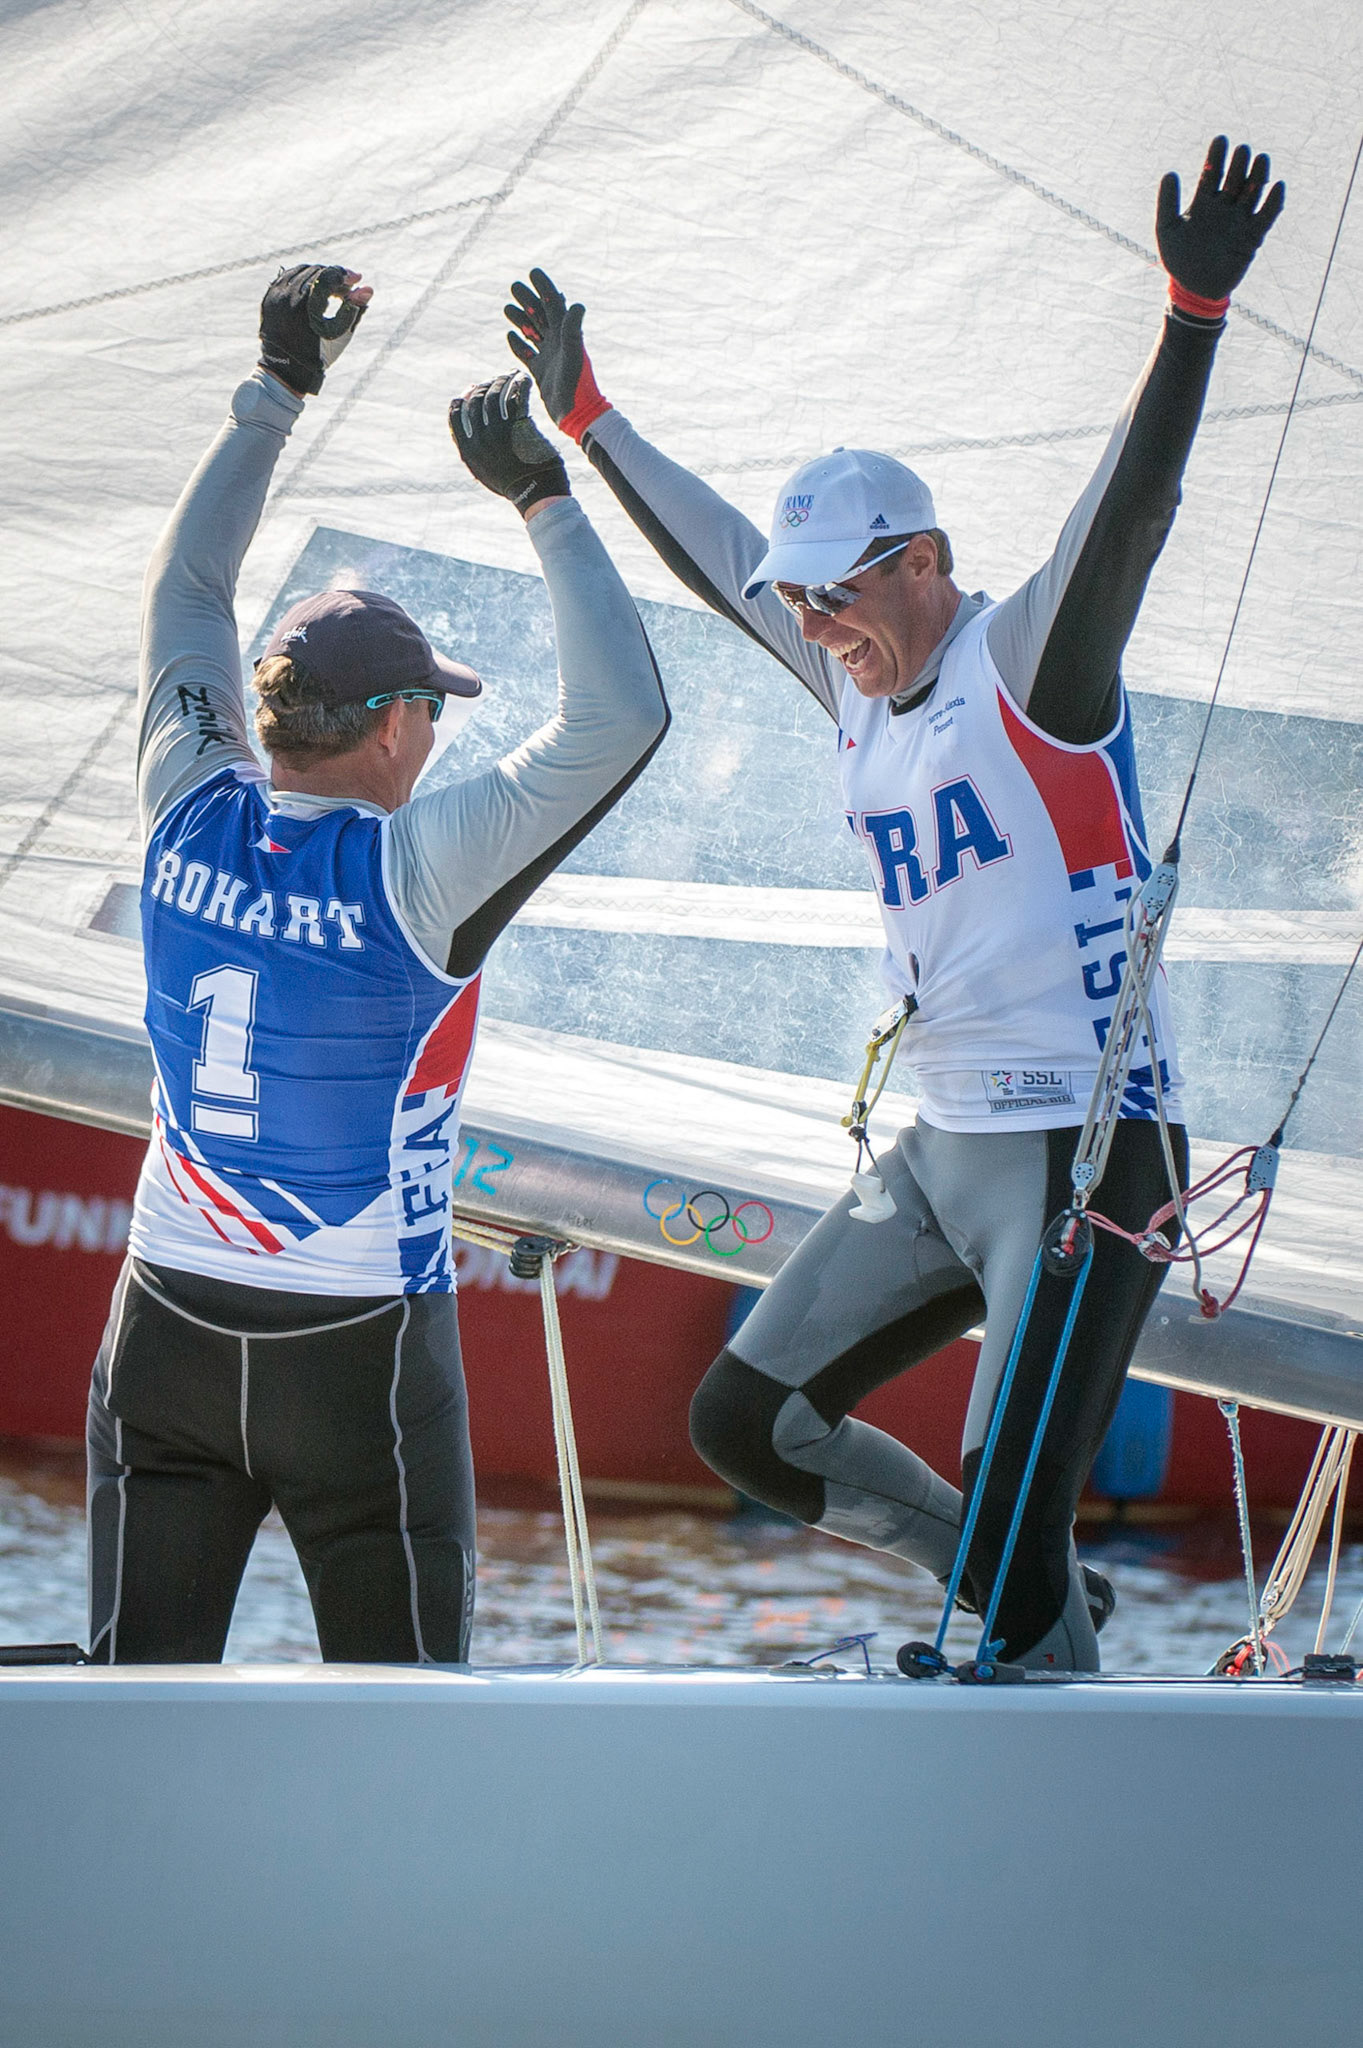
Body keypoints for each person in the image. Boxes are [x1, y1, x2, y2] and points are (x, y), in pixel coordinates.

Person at [504, 139, 1284, 1670]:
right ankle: (1011, 1586)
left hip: (1087, 1152)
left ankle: (1031, 1654)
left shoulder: (1031, 665)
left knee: (1014, 1519)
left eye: (839, 593)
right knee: (748, 1421)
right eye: (801, 600)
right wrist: (590, 419)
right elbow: (721, 559)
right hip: (942, 1145)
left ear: (922, 562)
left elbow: (1129, 514)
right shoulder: (852, 679)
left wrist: (1192, 314)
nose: (812, 622)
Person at [87, 263, 669, 1664]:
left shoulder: (186, 795)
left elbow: (188, 587)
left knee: (129, 1717)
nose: (438, 737)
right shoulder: (419, 869)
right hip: (358, 1358)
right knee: (406, 1731)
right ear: (397, 724)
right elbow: (624, 717)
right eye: (435, 713)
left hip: (162, 1329)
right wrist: (543, 495)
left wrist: (276, 387)